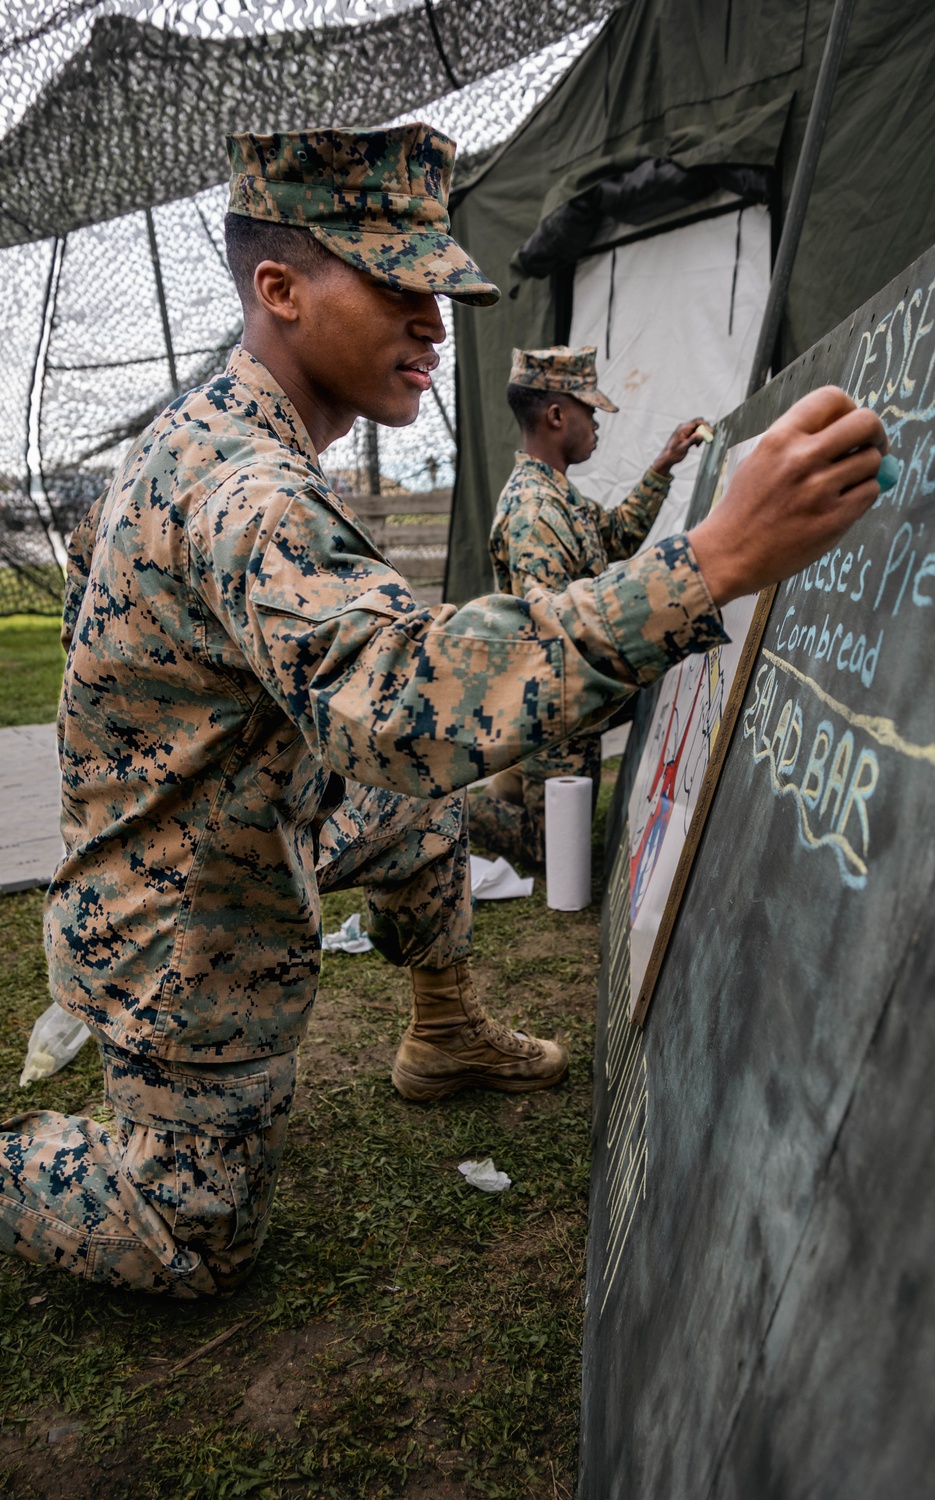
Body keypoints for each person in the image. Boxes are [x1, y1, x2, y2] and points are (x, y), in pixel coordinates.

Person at [0, 122, 887, 1298]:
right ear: (280, 289)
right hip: (181, 917)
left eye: (439, 290)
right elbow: (403, 707)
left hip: (262, 812)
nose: (435, 322)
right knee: (190, 1238)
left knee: (423, 824)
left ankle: (446, 1032)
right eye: (397, 286)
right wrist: (711, 562)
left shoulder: (227, 434)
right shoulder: (245, 484)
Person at [469, 344, 709, 867]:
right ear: (557, 415)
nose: (597, 424)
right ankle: (447, 811)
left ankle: (512, 782)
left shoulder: (561, 498)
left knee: (566, 832)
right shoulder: (537, 509)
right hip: (551, 706)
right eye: (591, 412)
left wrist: (663, 464)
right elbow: (551, 634)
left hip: (562, 707)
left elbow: (617, 535)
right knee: (551, 849)